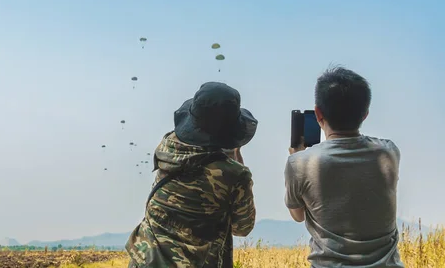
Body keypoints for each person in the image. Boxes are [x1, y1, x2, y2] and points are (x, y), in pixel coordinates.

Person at [126, 82, 258, 268]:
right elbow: (242, 227)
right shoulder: (234, 175)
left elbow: (198, 152)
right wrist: (234, 154)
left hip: (146, 259)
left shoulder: (166, 148)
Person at [285, 66, 404, 267]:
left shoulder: (300, 163)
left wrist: (298, 158)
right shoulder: (389, 152)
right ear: (365, 113)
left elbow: (298, 215)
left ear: (318, 113)